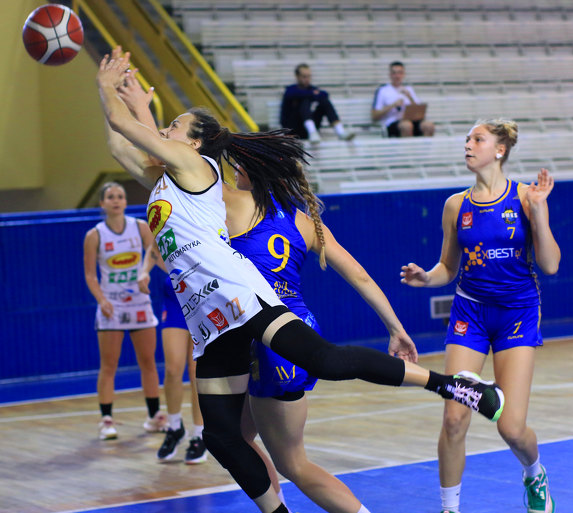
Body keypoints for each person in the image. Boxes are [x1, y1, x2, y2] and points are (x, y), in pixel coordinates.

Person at [97, 49, 504, 513]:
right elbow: (122, 143)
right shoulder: (168, 182)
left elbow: (137, 134)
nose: (165, 131)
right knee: (225, 438)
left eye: (175, 127)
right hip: (209, 321)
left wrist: (110, 89)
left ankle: (451, 386)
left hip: (242, 299)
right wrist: (127, 105)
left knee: (318, 380)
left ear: (195, 145)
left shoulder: (202, 173)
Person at [225, 163, 416, 513]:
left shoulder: (234, 207)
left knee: (294, 463)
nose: (236, 167)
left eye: (243, 162)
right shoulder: (304, 221)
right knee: (234, 436)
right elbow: (359, 275)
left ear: (261, 171)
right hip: (301, 328)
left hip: (272, 339)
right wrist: (396, 328)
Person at [400, 119, 559, 513]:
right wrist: (427, 277)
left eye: (477, 139)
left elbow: (551, 265)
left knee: (511, 429)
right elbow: (447, 267)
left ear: (499, 150)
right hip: (469, 313)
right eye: (467, 139)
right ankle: (450, 508)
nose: (468, 145)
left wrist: (539, 213)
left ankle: (534, 473)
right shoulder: (456, 206)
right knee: (454, 419)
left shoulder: (527, 197)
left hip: (517, 314)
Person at [83, 182, 166, 440]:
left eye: (120, 196)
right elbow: (90, 275)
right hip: (112, 304)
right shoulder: (94, 235)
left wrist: (146, 272)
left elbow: (154, 252)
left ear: (126, 202)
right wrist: (101, 300)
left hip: (139, 301)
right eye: (111, 197)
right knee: (109, 365)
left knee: (148, 362)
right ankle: (106, 420)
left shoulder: (140, 227)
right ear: (102, 203)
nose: (116, 200)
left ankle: (154, 416)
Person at [138, 249, 207, 464]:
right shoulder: (167, 226)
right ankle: (175, 427)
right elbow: (154, 248)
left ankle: (200, 434)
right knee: (172, 368)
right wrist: (144, 271)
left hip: (202, 294)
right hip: (175, 296)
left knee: (197, 370)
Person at [280, 63, 354, 143]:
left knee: (324, 101)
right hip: (293, 130)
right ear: (297, 76)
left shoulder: (311, 89)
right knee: (304, 101)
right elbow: (292, 94)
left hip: (307, 129)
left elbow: (325, 94)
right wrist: (312, 94)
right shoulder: (290, 90)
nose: (307, 79)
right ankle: (312, 132)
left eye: (309, 76)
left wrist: (312, 94)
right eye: (304, 76)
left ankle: (340, 131)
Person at [372, 61, 435, 138]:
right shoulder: (383, 90)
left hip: (410, 121)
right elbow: (374, 115)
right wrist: (392, 105)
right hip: (392, 122)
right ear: (390, 75)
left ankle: (426, 146)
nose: (397, 76)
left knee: (428, 126)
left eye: (400, 73)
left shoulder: (409, 89)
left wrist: (410, 97)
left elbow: (419, 112)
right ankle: (407, 146)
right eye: (394, 73)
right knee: (406, 125)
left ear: (404, 74)